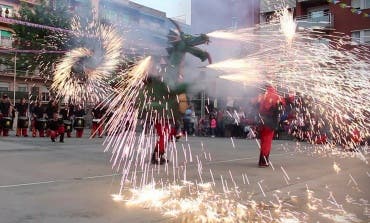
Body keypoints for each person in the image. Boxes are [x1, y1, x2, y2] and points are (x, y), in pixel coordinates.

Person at [254, 85, 285, 167]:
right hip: (270, 123)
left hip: (262, 122)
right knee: (267, 142)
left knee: (263, 141)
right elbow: (280, 109)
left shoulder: (263, 96)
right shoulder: (277, 97)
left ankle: (261, 160)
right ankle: (264, 162)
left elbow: (255, 105)